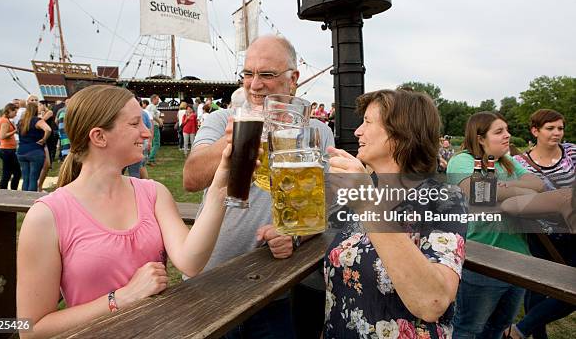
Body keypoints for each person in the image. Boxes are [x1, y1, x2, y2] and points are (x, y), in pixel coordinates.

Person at [16, 85, 235, 338]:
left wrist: (219, 188)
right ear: (99, 137)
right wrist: (120, 298)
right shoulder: (46, 216)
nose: (146, 132)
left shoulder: (153, 193)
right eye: (134, 124)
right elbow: (31, 329)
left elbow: (191, 261)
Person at [183, 35, 335, 339]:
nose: (254, 84)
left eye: (266, 74)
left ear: (293, 79)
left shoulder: (318, 131)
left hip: (270, 291)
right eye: (248, 73)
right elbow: (190, 178)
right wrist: (233, 140)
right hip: (209, 285)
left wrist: (294, 236)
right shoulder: (222, 120)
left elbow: (326, 204)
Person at [323, 89, 467, 338]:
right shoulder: (362, 189)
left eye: (367, 122)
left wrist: (368, 205)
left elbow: (432, 303)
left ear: (400, 134)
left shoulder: (443, 199)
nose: (357, 131)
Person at [447, 111, 545, 339]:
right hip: (482, 260)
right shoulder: (463, 160)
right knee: (468, 329)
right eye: (499, 131)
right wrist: (517, 193)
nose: (507, 136)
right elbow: (477, 192)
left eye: (507, 130)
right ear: (480, 138)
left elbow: (538, 185)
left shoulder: (507, 162)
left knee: (499, 327)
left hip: (518, 259)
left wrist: (503, 190)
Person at [506, 109, 576, 339]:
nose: (557, 133)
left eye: (560, 128)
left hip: (572, 232)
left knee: (571, 291)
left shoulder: (572, 153)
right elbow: (517, 199)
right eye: (550, 128)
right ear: (535, 131)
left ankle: (519, 331)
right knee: (537, 288)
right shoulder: (519, 164)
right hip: (541, 234)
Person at [17, 102, 51, 191]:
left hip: (21, 151)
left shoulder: (21, 122)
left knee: (25, 179)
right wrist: (44, 139)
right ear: (35, 110)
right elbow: (48, 129)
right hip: (35, 151)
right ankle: (30, 200)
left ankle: (23, 199)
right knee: (33, 179)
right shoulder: (37, 120)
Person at [0, 103, 21, 190]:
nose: (16, 114)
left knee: (9, 171)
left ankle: (5, 189)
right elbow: (2, 136)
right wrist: (15, 131)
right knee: (14, 172)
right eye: (15, 112)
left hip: (5, 149)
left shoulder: (1, 120)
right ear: (10, 110)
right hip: (7, 150)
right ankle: (9, 190)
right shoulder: (5, 121)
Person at [145, 94, 163, 166]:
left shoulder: (150, 106)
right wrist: (159, 121)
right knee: (157, 143)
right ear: (153, 99)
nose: (158, 100)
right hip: (154, 126)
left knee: (151, 142)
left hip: (151, 126)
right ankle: (150, 159)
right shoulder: (152, 106)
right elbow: (152, 116)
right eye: (157, 99)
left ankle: (149, 158)